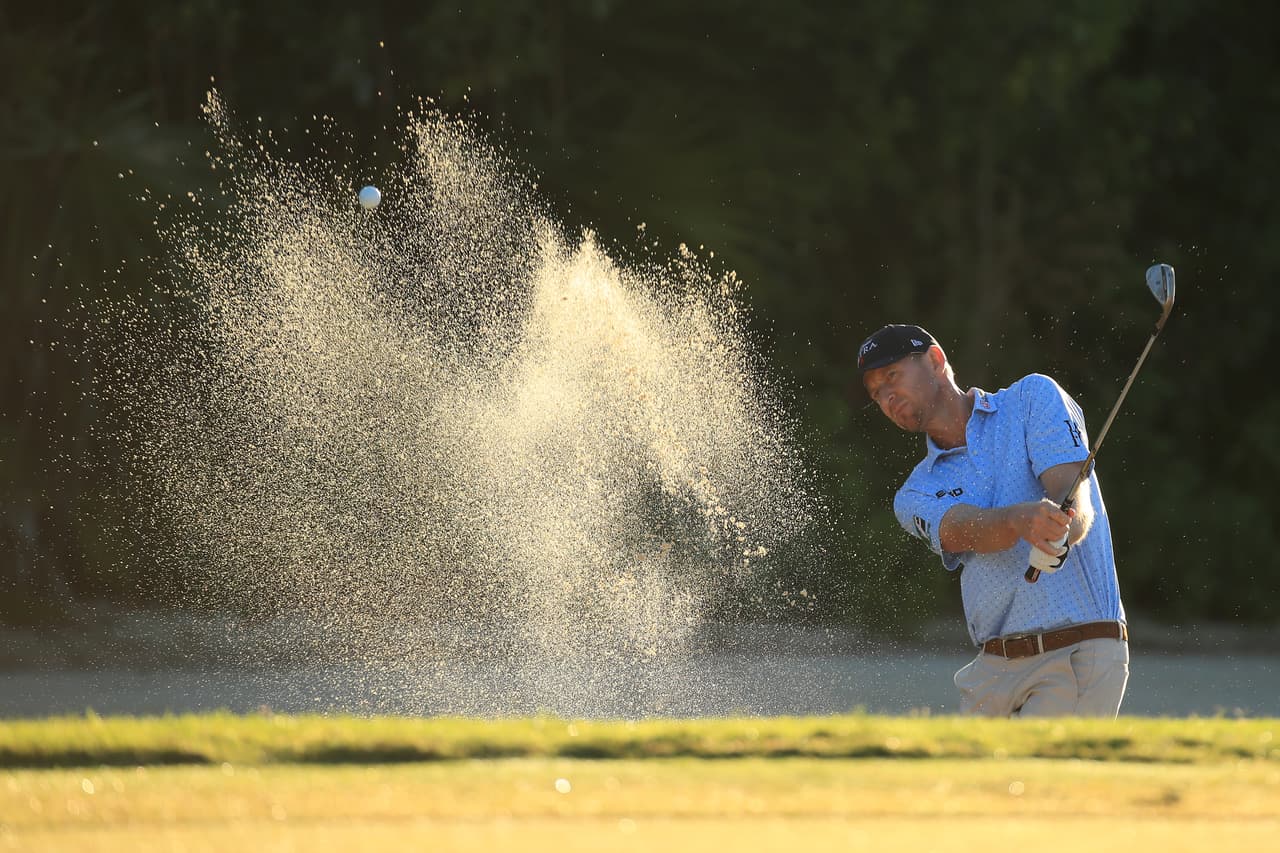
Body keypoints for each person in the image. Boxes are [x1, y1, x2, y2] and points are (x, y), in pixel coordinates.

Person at [857, 324, 1129, 717]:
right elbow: (958, 530)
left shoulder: (1032, 398)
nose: (886, 397)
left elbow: (1072, 495)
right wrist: (1018, 521)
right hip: (991, 669)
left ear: (935, 360)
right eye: (876, 393)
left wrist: (1060, 528)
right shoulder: (914, 492)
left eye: (892, 376)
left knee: (1037, 762)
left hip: (1075, 650)